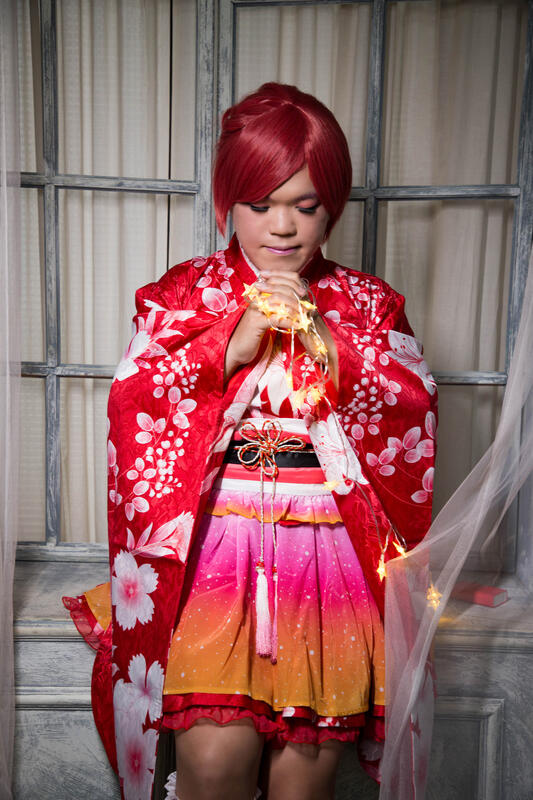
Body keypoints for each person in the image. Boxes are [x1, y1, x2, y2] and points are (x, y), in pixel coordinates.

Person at [63, 82, 438, 800]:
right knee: (212, 771)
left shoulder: (368, 303)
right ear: (226, 201)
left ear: (333, 206)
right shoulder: (182, 293)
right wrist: (229, 345)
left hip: (325, 557)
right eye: (260, 204)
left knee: (303, 784)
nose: (283, 227)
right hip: (212, 548)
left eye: (307, 206)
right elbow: (135, 399)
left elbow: (410, 411)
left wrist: (327, 341)